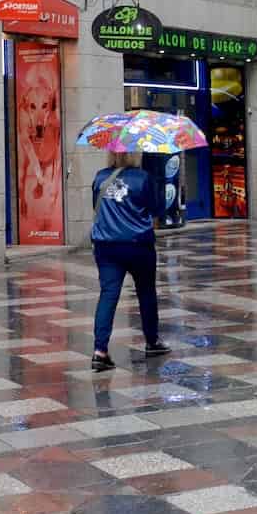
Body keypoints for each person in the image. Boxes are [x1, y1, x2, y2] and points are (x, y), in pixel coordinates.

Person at [88, 150, 170, 370]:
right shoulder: (143, 178)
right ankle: (152, 341)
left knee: (108, 295)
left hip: (106, 246)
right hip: (138, 245)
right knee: (146, 292)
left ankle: (100, 351)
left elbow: (96, 206)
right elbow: (157, 209)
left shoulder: (100, 177)